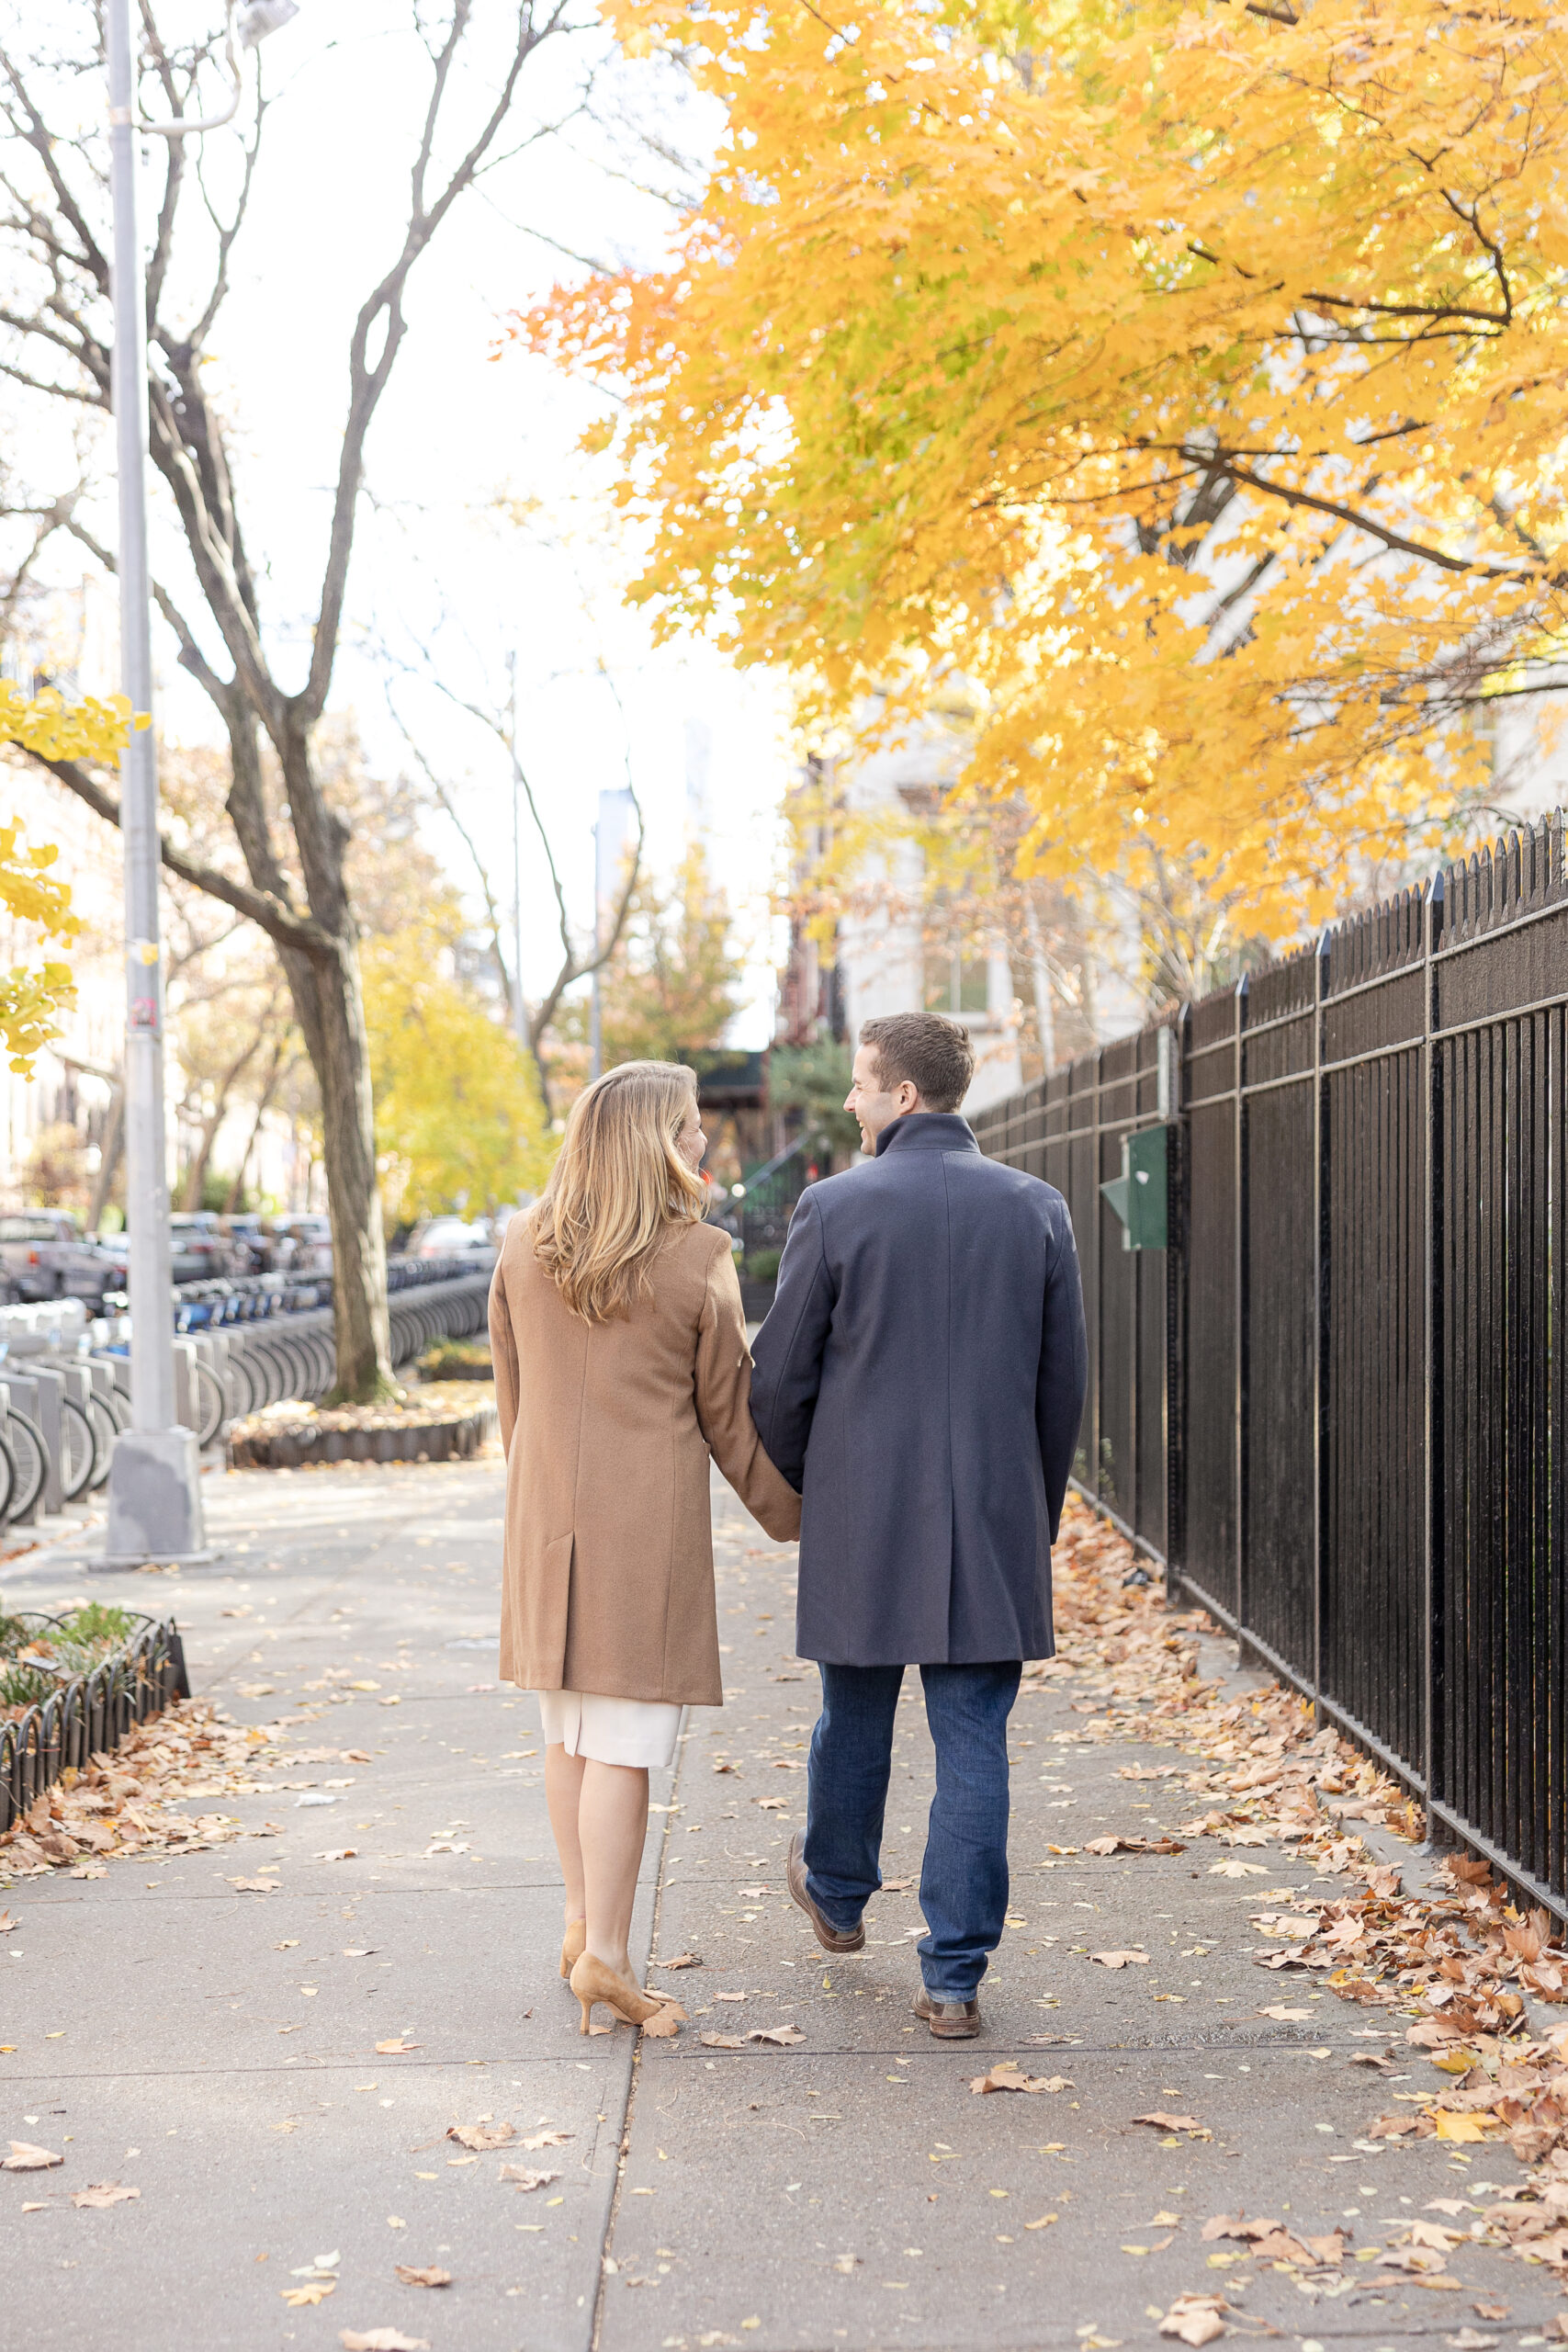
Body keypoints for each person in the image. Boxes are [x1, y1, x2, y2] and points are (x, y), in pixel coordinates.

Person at [750, 1012, 1088, 2040]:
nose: (849, 1101)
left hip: (864, 1514)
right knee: (973, 1736)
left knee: (852, 1714)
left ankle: (840, 1896)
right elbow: (1061, 1386)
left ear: (903, 1095)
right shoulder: (1036, 1208)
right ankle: (954, 1976)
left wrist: (821, 1480)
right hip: (992, 1510)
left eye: (861, 1084)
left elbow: (778, 1380)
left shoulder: (834, 1207)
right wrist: (1038, 1506)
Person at [490, 1060, 801, 2035]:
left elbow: (514, 1404)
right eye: (691, 1123)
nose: (704, 1138)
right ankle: (612, 1960)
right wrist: (797, 1516)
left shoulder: (519, 1246)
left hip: (546, 1531)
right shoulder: (697, 1255)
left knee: (569, 1733)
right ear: (656, 1140)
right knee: (621, 1749)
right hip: (642, 1541)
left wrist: (539, 1492)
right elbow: (730, 1417)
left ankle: (582, 1924)